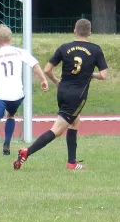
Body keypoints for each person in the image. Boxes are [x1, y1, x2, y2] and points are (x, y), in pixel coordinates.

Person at [13, 18, 108, 171]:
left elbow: (47, 69)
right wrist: (92, 74)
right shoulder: (96, 50)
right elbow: (103, 75)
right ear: (90, 32)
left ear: (74, 31)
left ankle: (72, 162)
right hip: (76, 96)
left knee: (75, 122)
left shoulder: (64, 48)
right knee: (57, 130)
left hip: (62, 91)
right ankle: (26, 152)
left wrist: (56, 81)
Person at [0, 24, 49, 158]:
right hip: (17, 94)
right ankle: (6, 144)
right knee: (10, 115)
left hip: (1, 93)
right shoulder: (19, 51)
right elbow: (34, 64)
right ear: (10, 39)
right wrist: (43, 79)